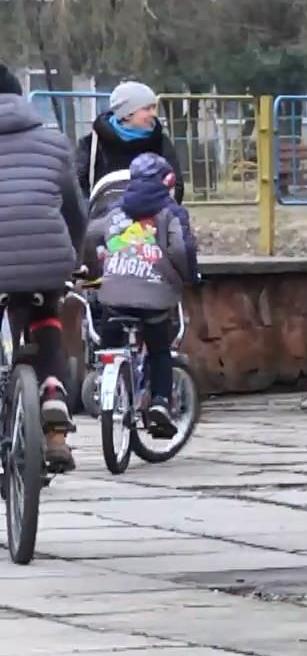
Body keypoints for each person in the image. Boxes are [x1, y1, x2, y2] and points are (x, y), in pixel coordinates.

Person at [0, 65, 87, 471]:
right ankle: (53, 396)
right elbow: (74, 210)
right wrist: (77, 255)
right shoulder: (53, 142)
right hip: (48, 256)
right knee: (44, 313)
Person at [81, 154, 199, 438]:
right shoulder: (172, 213)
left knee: (111, 337)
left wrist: (92, 270)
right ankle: (159, 401)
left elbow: (89, 237)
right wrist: (190, 276)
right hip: (154, 294)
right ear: (167, 183)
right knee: (159, 347)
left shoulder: (113, 211)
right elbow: (181, 250)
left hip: (113, 292)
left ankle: (108, 376)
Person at [75, 81, 183, 201]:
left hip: (152, 214)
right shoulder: (93, 143)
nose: (153, 113)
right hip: (105, 215)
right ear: (126, 114)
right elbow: (79, 186)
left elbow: (176, 185)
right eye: (147, 108)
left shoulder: (160, 141)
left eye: (154, 107)